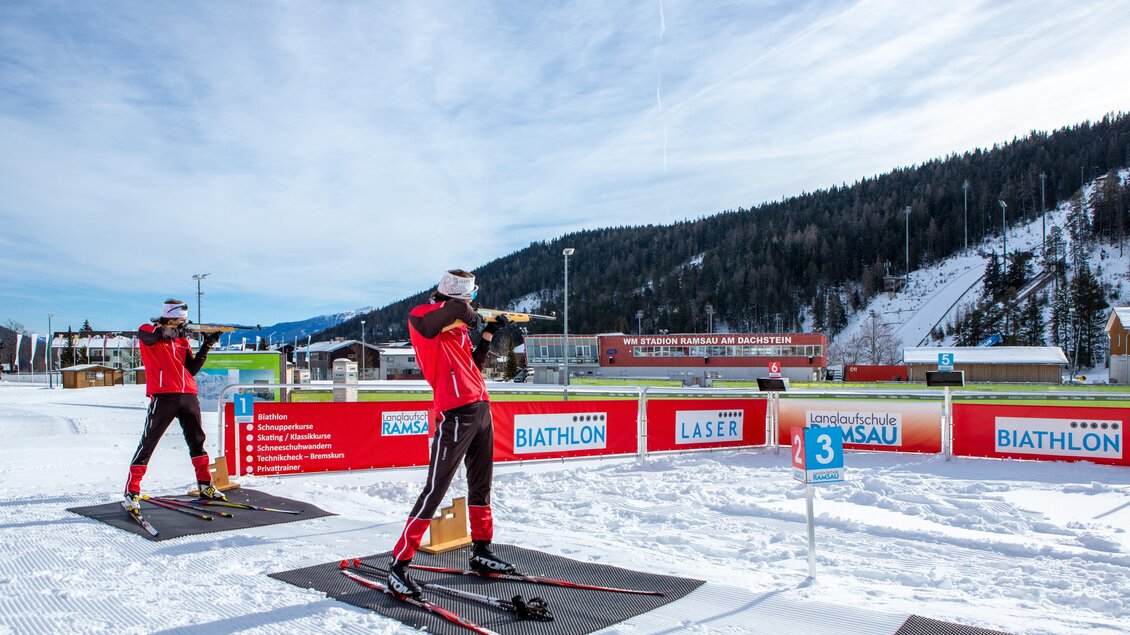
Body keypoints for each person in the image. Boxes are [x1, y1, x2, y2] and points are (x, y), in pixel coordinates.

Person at [386, 270, 513, 597]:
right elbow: (452, 315)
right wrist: (472, 316)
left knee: (481, 484)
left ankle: (482, 550)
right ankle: (399, 564)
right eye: (467, 299)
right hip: (455, 411)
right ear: (457, 297)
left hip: (480, 407)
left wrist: (487, 334)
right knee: (436, 489)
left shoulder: (452, 324)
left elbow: (472, 365)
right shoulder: (423, 316)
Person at [121, 299, 225, 515]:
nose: (183, 323)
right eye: (180, 319)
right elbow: (157, 336)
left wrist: (207, 344)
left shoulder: (182, 341)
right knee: (148, 442)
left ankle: (205, 485)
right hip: (163, 396)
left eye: (185, 321)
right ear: (169, 316)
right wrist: (178, 331)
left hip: (188, 394)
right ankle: (132, 492)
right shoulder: (148, 330)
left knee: (197, 440)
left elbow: (192, 369)